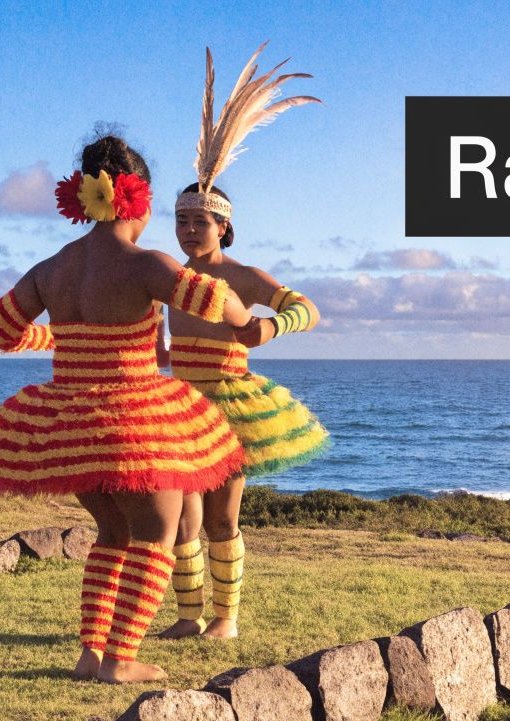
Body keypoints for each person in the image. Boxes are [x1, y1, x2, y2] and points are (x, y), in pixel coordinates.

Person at [0, 133, 252, 683]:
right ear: (137, 201)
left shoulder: (53, 267)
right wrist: (246, 321)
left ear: (85, 197)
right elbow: (217, 300)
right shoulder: (144, 263)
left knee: (111, 537)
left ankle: (90, 653)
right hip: (130, 422)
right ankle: (120, 659)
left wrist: (64, 340)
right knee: (157, 536)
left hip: (72, 427)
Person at [150, 44, 326, 640]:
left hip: (229, 404)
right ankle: (188, 615)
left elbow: (307, 308)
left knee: (222, 519)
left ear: (223, 225)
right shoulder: (165, 278)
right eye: (180, 220)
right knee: (181, 521)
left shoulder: (242, 277)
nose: (188, 229)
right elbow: (152, 333)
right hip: (177, 403)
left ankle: (225, 617)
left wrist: (269, 327)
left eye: (199, 221)